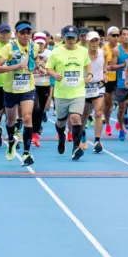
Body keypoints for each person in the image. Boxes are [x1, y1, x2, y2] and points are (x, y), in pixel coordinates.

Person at [0, 20, 40, 166]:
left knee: (27, 117)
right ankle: (10, 140)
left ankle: (27, 153)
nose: (25, 36)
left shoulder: (35, 47)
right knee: (10, 120)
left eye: (28, 33)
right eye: (22, 33)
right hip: (10, 89)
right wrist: (15, 66)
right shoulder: (8, 48)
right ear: (17, 34)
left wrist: (40, 67)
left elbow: (35, 62)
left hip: (28, 88)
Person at [46, 26, 92, 161]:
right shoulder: (56, 52)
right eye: (68, 37)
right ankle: (61, 137)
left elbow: (87, 64)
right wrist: (55, 74)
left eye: (73, 37)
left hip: (78, 91)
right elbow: (48, 68)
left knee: (76, 118)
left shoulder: (83, 51)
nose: (71, 40)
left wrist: (89, 74)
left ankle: (76, 147)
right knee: (61, 121)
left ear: (77, 37)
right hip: (61, 93)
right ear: (64, 37)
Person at [111, 27, 128, 141]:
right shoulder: (116, 50)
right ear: (120, 37)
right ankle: (121, 128)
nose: (126, 36)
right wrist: (123, 65)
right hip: (121, 83)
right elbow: (112, 66)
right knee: (121, 109)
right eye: (124, 34)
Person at [83, 31, 107, 154]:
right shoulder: (82, 54)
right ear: (87, 42)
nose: (94, 43)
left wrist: (105, 73)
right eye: (92, 40)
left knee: (98, 113)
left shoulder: (103, 53)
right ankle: (82, 135)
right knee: (84, 115)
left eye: (96, 40)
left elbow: (104, 66)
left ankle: (97, 140)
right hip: (84, 87)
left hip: (98, 86)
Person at [102, 27, 120, 137]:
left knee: (123, 103)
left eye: (118, 35)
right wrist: (107, 67)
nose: (116, 37)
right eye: (114, 35)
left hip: (119, 78)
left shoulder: (121, 48)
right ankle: (108, 124)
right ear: (108, 37)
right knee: (108, 104)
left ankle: (120, 120)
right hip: (108, 79)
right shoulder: (104, 49)